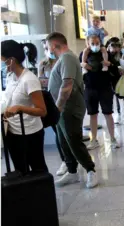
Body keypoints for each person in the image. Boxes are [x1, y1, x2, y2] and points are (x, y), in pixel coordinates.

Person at [45, 32, 98, 189]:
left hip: (69, 109)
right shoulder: (62, 59)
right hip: (62, 110)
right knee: (63, 141)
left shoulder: (67, 57)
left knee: (73, 141)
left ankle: (90, 170)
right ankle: (72, 171)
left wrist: (58, 108)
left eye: (48, 47)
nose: (48, 50)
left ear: (54, 45)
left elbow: (67, 85)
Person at [1, 40, 48, 174]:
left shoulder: (29, 79)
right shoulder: (10, 76)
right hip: (12, 130)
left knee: (38, 168)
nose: (1, 63)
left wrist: (20, 108)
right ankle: (26, 195)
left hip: (30, 133)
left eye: (2, 60)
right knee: (20, 170)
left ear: (11, 60)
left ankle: (42, 194)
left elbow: (42, 111)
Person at [80, 34, 119, 150]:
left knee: (108, 113)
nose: (95, 45)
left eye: (97, 43)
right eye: (92, 43)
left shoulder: (105, 53)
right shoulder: (84, 54)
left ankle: (112, 139)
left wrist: (109, 64)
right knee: (92, 114)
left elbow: (116, 68)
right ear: (87, 43)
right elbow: (80, 68)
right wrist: (84, 66)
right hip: (90, 88)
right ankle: (94, 139)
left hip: (105, 88)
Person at [39, 39, 68, 176]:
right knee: (58, 132)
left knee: (66, 132)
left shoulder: (63, 61)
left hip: (63, 100)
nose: (48, 51)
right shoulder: (43, 64)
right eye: (45, 48)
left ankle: (72, 158)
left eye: (49, 47)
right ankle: (65, 161)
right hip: (50, 101)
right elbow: (40, 82)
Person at [106, 37, 124, 125]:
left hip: (120, 78)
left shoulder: (123, 54)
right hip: (110, 79)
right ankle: (117, 115)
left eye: (117, 46)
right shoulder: (107, 54)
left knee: (121, 98)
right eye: (113, 46)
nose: (115, 48)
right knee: (113, 99)